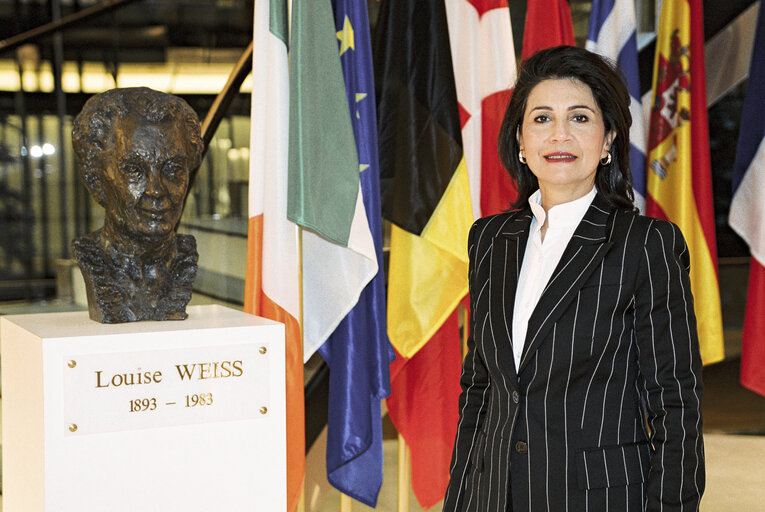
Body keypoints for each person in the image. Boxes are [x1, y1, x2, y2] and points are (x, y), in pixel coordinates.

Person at [443, 46, 704, 512]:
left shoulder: (646, 244)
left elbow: (676, 402)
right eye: (541, 119)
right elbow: (481, 388)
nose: (559, 134)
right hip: (492, 496)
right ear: (520, 142)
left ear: (607, 141)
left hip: (598, 500)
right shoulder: (489, 238)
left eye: (580, 118)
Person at [71, 87, 204, 323]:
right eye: (134, 170)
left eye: (173, 169)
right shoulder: (95, 259)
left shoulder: (183, 256)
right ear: (96, 180)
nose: (156, 190)